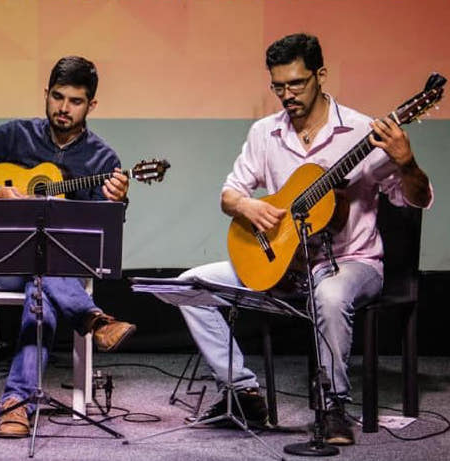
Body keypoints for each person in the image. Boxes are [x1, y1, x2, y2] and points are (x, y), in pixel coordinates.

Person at [177, 33, 433, 445]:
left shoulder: (362, 131)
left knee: (329, 295)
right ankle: (243, 391)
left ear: (321, 75)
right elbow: (229, 194)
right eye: (278, 86)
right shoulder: (265, 133)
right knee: (191, 286)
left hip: (353, 262)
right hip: (285, 264)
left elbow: (416, 199)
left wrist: (407, 163)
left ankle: (334, 407)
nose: (287, 95)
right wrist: (248, 208)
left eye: (296, 84)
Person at [0, 56, 137, 438]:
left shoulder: (102, 159)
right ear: (46, 94)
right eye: (57, 97)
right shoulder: (17, 135)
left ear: (91, 105)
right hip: (6, 263)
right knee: (38, 274)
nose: (63, 108)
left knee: (42, 285)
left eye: (75, 101)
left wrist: (117, 202)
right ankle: (92, 318)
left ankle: (16, 402)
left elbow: (103, 233)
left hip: (59, 267)